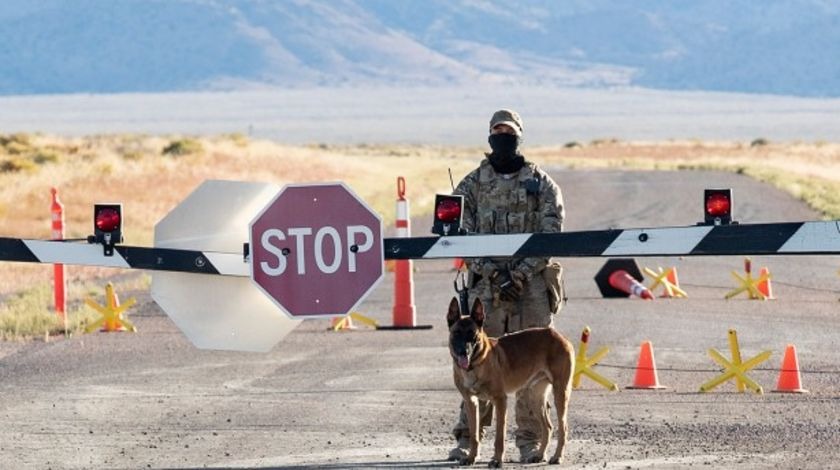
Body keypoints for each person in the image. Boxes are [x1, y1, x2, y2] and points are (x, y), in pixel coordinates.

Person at [448, 109, 566, 464]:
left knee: (531, 370)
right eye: (497, 131)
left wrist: (520, 274)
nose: (503, 137)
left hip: (529, 288)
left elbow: (552, 234)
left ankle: (529, 440)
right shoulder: (471, 185)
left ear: (519, 136)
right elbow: (458, 234)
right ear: (489, 137)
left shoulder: (541, 183)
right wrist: (493, 274)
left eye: (509, 132)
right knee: (474, 365)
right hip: (487, 290)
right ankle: (469, 439)